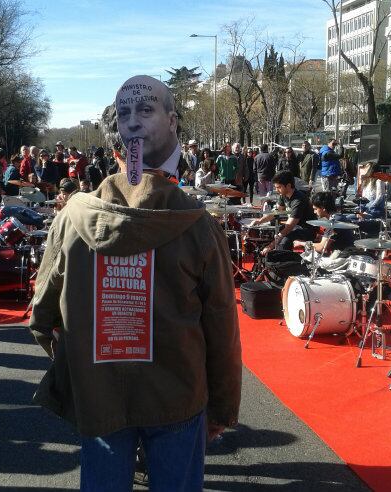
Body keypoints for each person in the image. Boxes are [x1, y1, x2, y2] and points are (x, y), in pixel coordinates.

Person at [29, 74, 241, 492]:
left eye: (145, 109)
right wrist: (222, 406)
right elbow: (222, 328)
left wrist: (82, 364)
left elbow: (42, 315)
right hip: (177, 395)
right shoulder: (198, 226)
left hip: (100, 395)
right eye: (126, 111)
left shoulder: (73, 217)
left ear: (171, 120)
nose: (133, 119)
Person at [251, 170, 316, 253]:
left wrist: (270, 246)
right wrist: (259, 221)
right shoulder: (283, 195)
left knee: (284, 241)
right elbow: (276, 212)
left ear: (288, 186)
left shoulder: (299, 200)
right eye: (276, 187)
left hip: (307, 229)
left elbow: (289, 227)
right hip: (295, 227)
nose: (277, 190)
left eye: (279, 187)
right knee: (269, 233)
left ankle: (285, 262)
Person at [294, 191, 355, 256]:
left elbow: (321, 248)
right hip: (344, 253)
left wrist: (301, 243)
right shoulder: (338, 217)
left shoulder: (333, 222)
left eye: (315, 209)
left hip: (343, 256)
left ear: (323, 208)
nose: (314, 212)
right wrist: (322, 237)